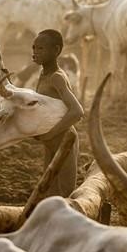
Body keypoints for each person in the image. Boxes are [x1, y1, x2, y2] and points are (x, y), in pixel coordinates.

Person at [32, 29, 84, 197]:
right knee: (48, 191)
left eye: (40, 49)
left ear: (56, 51)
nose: (35, 52)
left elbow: (77, 111)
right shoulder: (43, 74)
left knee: (64, 194)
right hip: (51, 143)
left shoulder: (56, 78)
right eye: (34, 48)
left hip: (64, 141)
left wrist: (50, 133)